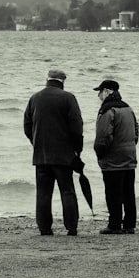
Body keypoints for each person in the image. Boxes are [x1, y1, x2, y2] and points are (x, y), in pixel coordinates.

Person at [23, 69, 84, 236]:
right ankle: (71, 227)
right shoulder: (68, 98)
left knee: (43, 193)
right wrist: (77, 149)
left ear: (47, 79)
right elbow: (77, 127)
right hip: (64, 155)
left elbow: (27, 125)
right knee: (67, 191)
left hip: (41, 154)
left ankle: (44, 228)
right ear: (63, 81)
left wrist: (36, 142)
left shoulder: (35, 98)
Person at [92, 80, 139, 234]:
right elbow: (136, 131)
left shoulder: (107, 110)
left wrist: (100, 153)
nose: (99, 95)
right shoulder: (128, 107)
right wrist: (131, 147)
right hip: (129, 156)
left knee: (113, 193)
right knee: (128, 193)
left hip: (113, 159)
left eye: (100, 91)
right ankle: (130, 224)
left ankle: (114, 225)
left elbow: (103, 136)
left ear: (107, 91)